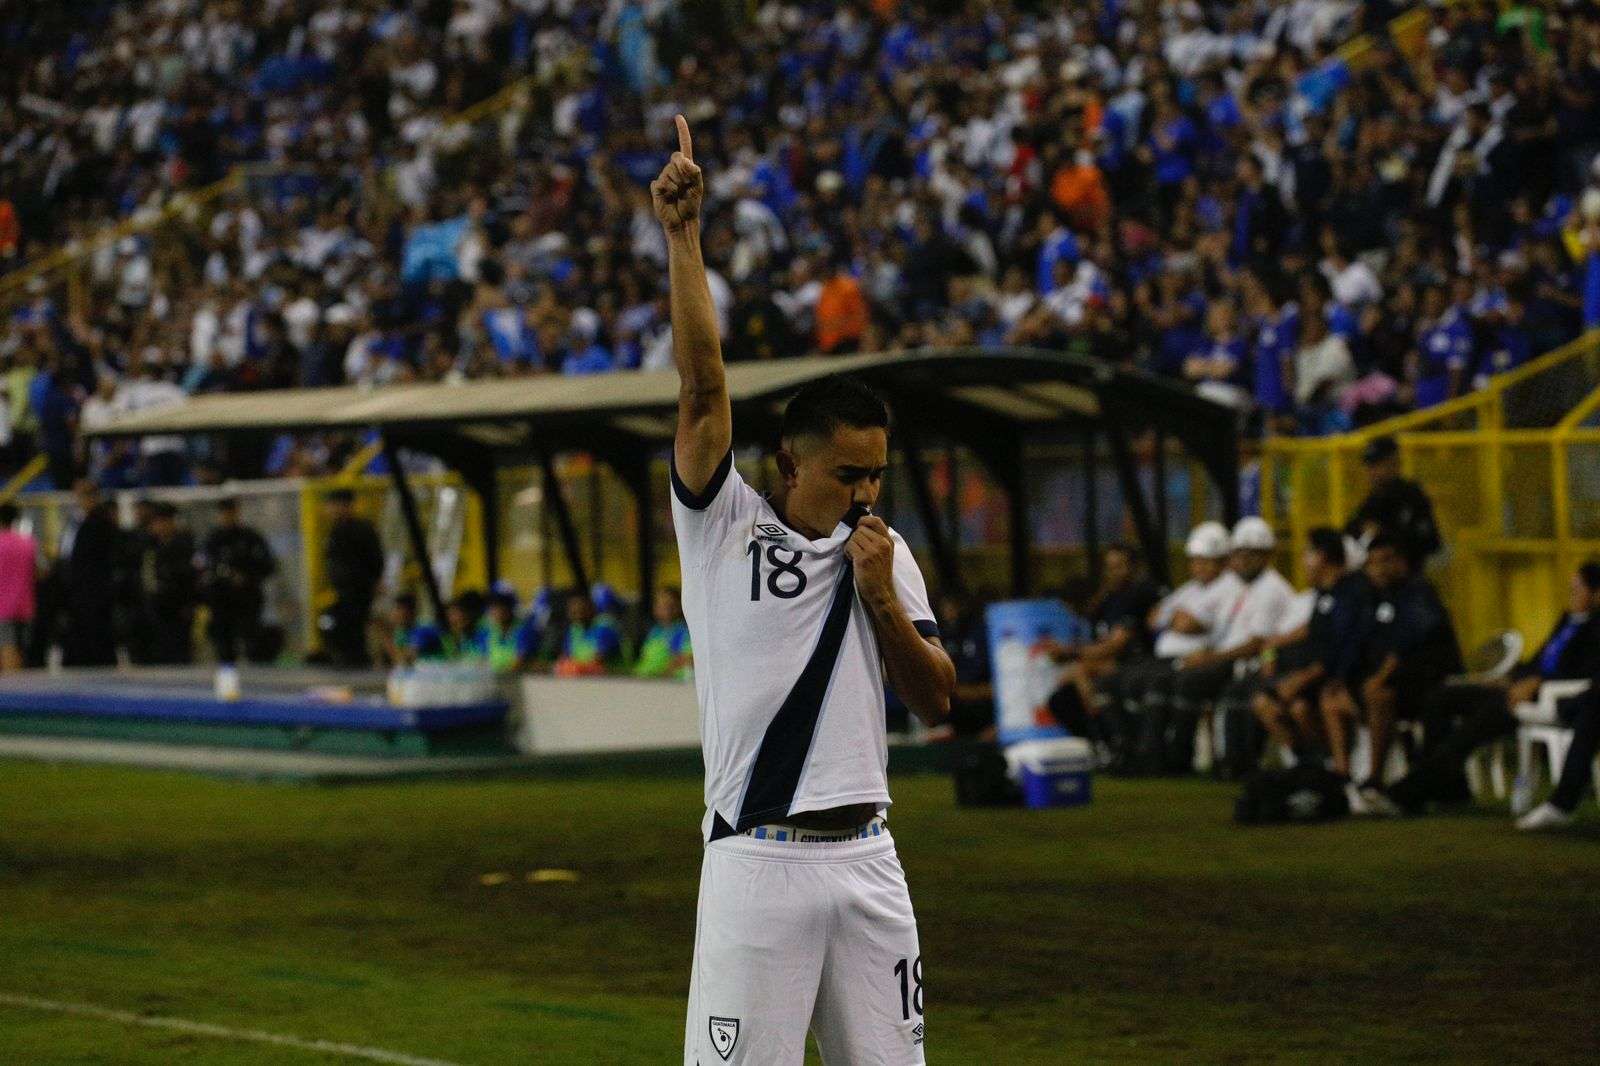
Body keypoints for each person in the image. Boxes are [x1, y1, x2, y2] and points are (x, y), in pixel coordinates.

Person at [655, 117, 953, 1066]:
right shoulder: (724, 526)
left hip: (869, 857)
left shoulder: (884, 553)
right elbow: (704, 392)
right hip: (758, 858)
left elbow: (938, 696)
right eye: (848, 474)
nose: (866, 492)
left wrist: (882, 599)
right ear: (791, 461)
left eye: (878, 474)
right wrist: (686, 239)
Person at [1381, 562, 1600, 818]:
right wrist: (1512, 677)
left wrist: (1537, 682)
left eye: (1577, 590)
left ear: (1596, 594)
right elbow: (1539, 660)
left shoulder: (1595, 626)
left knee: (1470, 732)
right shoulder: (1567, 620)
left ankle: (1407, 791)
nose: (1571, 595)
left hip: (1545, 696)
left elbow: (1585, 672)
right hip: (1520, 686)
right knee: (1441, 698)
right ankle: (1450, 785)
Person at [1324, 534, 1463, 811]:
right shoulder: (1376, 596)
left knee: (1377, 694)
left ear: (1400, 562)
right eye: (1371, 563)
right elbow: (1361, 641)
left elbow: (1409, 642)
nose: (1375, 569)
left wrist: (1379, 677)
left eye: (1382, 562)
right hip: (1386, 681)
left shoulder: (1418, 591)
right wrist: (1340, 677)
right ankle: (1343, 775)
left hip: (1426, 682)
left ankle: (1374, 778)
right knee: (1332, 699)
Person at [1121, 522, 1241, 773]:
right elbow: (1153, 618)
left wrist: (1174, 619)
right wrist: (1176, 619)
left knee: (1159, 682)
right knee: (1127, 678)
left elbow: (1191, 625)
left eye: (1206, 560)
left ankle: (1165, 756)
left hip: (1202, 658)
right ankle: (1130, 749)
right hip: (1170, 657)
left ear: (1221, 561)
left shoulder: (1229, 586)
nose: (1198, 566)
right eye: (1195, 560)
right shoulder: (1191, 588)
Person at [1252, 528, 1372, 766]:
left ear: (1323, 556)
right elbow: (1310, 629)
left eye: (1308, 552)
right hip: (1311, 672)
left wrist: (1301, 679)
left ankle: (1331, 767)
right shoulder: (1323, 594)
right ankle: (1306, 764)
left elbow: (1340, 648)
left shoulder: (1352, 595)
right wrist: (1270, 646)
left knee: (1299, 707)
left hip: (1334, 675)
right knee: (1271, 705)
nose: (1303, 560)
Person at [1042, 543, 1161, 765]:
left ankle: (1115, 744)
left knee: (1080, 675)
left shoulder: (1139, 595)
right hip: (1110, 665)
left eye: (1119, 566)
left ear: (1134, 568)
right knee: (1060, 699)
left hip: (1139, 664)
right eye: (1109, 567)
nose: (1113, 572)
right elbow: (1097, 641)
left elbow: (1115, 646)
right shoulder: (1108, 599)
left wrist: (1072, 655)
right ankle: (1099, 744)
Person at [1344, 436, 1442, 570]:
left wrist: (1385, 537)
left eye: (1377, 465)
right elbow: (1349, 533)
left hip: (1407, 577)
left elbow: (1430, 541)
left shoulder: (1411, 495)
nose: (1372, 472)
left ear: (1394, 463)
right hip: (1371, 578)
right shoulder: (1371, 501)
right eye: (1369, 466)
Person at [200, 497, 275, 664]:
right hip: (221, 601)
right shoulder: (212, 540)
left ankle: (256, 681)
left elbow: (267, 566)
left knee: (252, 643)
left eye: (230, 512)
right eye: (223, 513)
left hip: (247, 600)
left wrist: (247, 577)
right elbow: (204, 567)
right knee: (224, 647)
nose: (227, 516)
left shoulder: (250, 538)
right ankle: (228, 684)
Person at [321, 488, 383, 666]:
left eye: (333, 505)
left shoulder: (362, 528)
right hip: (342, 589)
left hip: (359, 588)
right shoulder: (336, 529)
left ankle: (357, 663)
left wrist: (373, 581)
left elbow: (375, 558)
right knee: (339, 624)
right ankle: (344, 659)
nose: (330, 509)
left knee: (355, 626)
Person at [60, 480, 120, 666]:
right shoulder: (80, 523)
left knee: (94, 632)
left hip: (93, 590)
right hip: (82, 589)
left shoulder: (98, 524)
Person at [145, 502, 199, 664]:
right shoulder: (153, 546)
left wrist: (188, 604)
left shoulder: (183, 546)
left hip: (177, 610)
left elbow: (189, 579)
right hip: (158, 609)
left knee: (177, 653)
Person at [551, 587, 625, 676]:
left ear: (590, 608)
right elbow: (564, 659)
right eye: (572, 611)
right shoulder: (574, 629)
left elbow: (599, 661)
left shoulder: (605, 627)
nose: (574, 614)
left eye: (579, 610)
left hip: (612, 680)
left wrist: (575, 668)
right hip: (581, 679)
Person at [0, 502, 36, 672]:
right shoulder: (28, 543)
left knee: (7, 651)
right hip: (25, 606)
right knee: (21, 655)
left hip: (3, 608)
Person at [632, 585, 693, 679]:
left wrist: (664, 675)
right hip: (644, 679)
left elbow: (687, 659)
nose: (662, 608)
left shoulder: (681, 632)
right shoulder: (655, 631)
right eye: (659, 604)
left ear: (679, 607)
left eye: (668, 605)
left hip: (665, 683)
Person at [381, 591, 443, 666]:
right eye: (394, 610)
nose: (395, 614)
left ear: (410, 611)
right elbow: (398, 661)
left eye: (399, 609)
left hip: (442, 668)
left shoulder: (423, 629)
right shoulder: (400, 632)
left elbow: (407, 660)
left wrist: (386, 638)